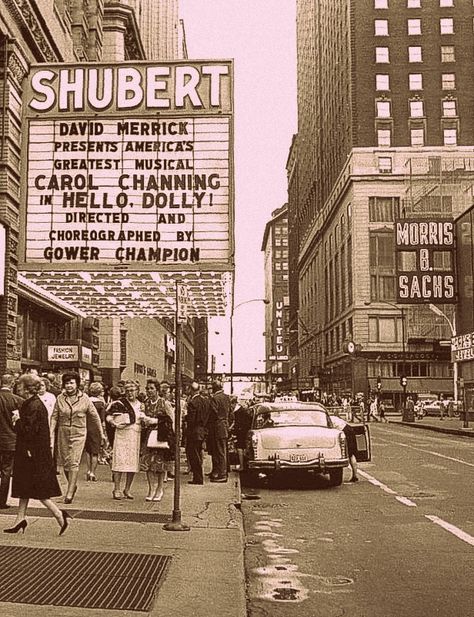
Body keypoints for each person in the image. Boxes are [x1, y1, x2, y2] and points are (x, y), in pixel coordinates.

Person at [5, 374, 70, 535]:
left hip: (31, 454)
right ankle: (20, 519)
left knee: (39, 490)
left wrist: (17, 420)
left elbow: (29, 431)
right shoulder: (32, 403)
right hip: (32, 452)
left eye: (19, 386)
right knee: (23, 488)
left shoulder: (33, 405)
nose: (17, 388)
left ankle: (59, 514)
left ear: (26, 388)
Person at [50, 372, 104, 503]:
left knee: (73, 461)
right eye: (67, 383)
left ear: (77, 384)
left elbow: (95, 417)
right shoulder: (60, 398)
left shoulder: (85, 398)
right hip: (63, 432)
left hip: (79, 433)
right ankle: (72, 485)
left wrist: (101, 433)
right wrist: (51, 433)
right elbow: (54, 416)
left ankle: (69, 493)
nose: (69, 386)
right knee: (65, 463)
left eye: (72, 383)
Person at [106, 380, 157, 500]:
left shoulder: (142, 405)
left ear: (137, 391)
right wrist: (113, 422)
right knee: (119, 461)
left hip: (135, 435)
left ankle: (127, 489)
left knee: (132, 463)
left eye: (132, 390)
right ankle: (117, 488)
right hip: (122, 435)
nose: (130, 393)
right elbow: (108, 415)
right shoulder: (119, 403)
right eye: (128, 391)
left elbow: (145, 419)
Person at [140, 379, 175, 501]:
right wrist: (143, 420)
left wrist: (156, 421)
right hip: (148, 436)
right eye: (147, 388)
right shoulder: (145, 403)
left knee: (160, 465)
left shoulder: (164, 403)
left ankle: (160, 488)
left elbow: (171, 420)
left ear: (157, 390)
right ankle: (151, 488)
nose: (149, 391)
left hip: (161, 436)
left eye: (152, 388)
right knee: (148, 463)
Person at [0, 374, 24, 509]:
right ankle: (1, 501)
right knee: (6, 471)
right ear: (12, 384)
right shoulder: (18, 401)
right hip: (10, 440)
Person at [185, 382, 211, 485]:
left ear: (191, 390)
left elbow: (192, 419)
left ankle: (198, 478)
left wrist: (185, 418)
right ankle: (198, 477)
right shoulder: (205, 401)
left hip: (194, 432)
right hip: (202, 430)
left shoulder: (192, 402)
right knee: (199, 454)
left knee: (193, 455)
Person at [208, 380, 232, 482]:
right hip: (225, 426)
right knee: (223, 450)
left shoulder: (214, 398)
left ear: (214, 388)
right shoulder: (226, 397)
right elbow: (230, 413)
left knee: (219, 451)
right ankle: (222, 471)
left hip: (217, 427)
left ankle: (222, 475)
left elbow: (213, 413)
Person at [85, 382, 107, 481]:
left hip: (86, 427)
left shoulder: (86, 401)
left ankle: (88, 470)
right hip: (96, 429)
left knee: (88, 451)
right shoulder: (101, 404)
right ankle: (93, 472)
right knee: (95, 451)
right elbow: (102, 419)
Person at [330, 414, 359, 482]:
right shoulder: (334, 417)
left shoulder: (326, 420)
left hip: (345, 431)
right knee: (351, 454)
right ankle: (355, 475)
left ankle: (355, 476)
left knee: (349, 454)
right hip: (349, 429)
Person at [230, 399, 252, 470]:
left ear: (233, 404)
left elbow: (238, 424)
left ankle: (241, 466)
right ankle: (243, 465)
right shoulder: (242, 410)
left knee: (240, 448)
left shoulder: (238, 412)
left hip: (241, 432)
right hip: (244, 431)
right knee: (243, 448)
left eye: (231, 405)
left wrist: (233, 431)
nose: (230, 407)